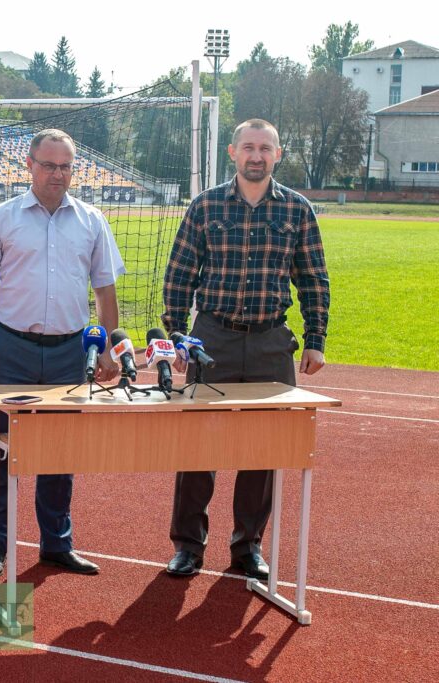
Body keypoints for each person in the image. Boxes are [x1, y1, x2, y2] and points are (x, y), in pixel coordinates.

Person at [161, 118, 330, 579]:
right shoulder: (205, 205)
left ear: (278, 154)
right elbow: (179, 275)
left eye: (265, 148)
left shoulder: (297, 210)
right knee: (198, 447)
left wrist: (315, 339)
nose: (256, 156)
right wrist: (178, 336)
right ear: (233, 152)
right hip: (211, 338)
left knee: (264, 449)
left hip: (270, 342)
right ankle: (188, 546)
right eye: (249, 147)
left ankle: (247, 546)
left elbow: (313, 279)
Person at [0, 129, 125, 577]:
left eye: (65, 165)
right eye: (49, 165)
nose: (57, 173)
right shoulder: (1, 218)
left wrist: (107, 348)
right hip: (12, 348)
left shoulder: (92, 220)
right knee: (1, 453)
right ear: (29, 165)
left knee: (59, 453)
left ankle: (57, 543)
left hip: (71, 352)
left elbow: (105, 290)